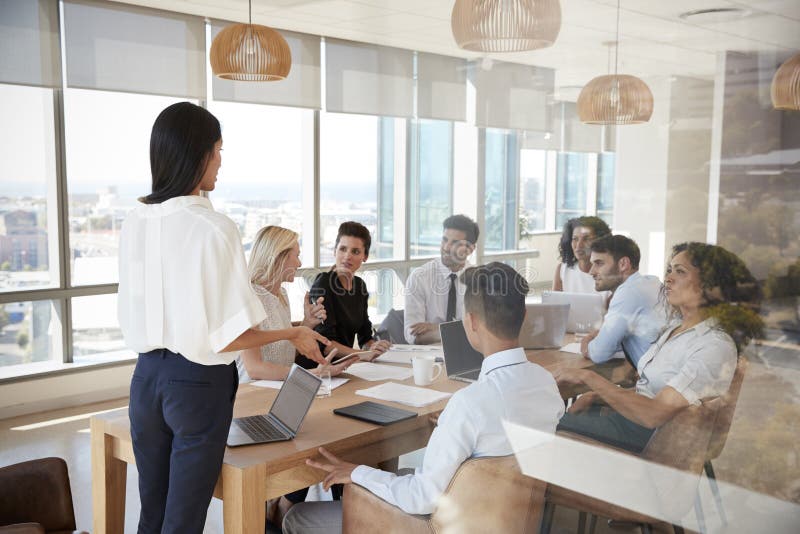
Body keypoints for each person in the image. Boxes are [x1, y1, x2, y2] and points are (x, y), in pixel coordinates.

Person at [117, 102, 328, 534]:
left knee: (151, 513)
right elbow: (230, 336)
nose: (220, 161)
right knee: (184, 521)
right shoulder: (215, 228)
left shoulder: (134, 222)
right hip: (197, 388)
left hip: (145, 381)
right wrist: (295, 331)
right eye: (217, 150)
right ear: (197, 154)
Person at [281, 262, 565, 533]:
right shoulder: (546, 385)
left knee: (297, 517)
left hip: (440, 526)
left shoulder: (470, 404)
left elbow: (421, 498)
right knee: (402, 472)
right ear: (524, 316)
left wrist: (356, 471)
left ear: (472, 322)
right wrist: (454, 427)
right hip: (507, 521)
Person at [554, 242, 762, 453]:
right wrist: (595, 395)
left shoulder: (713, 346)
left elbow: (653, 413)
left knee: (543, 423)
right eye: (669, 270)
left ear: (710, 285)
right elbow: (653, 392)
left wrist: (589, 379)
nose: (668, 278)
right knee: (549, 415)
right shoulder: (676, 329)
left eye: (680, 272)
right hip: (635, 424)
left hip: (650, 440)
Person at [237, 225, 354, 382]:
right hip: (254, 394)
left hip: (280, 389)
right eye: (296, 255)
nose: (299, 264)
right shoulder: (249, 296)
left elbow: (285, 354)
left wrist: (307, 324)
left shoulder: (282, 295)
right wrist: (314, 374)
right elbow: (254, 369)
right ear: (279, 257)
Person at [580, 235, 667, 367]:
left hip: (659, 381)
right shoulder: (650, 282)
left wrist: (586, 343)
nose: (591, 272)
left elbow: (599, 354)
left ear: (623, 264)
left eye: (599, 263)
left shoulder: (628, 292)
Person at [310, 221, 391, 360]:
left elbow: (364, 338)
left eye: (355, 251)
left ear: (365, 256)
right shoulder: (322, 284)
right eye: (343, 249)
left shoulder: (360, 286)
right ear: (334, 251)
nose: (348, 256)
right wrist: (363, 355)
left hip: (345, 367)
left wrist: (374, 347)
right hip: (320, 369)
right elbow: (326, 345)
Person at [404, 214, 479, 344]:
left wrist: (437, 328)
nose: (446, 247)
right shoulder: (419, 278)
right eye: (445, 240)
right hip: (429, 357)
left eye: (455, 243)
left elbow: (481, 330)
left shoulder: (479, 280)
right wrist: (459, 329)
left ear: (470, 249)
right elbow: (413, 335)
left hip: (470, 352)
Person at [552, 216, 611, 294]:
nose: (579, 245)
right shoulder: (563, 270)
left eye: (587, 239)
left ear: (601, 241)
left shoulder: (611, 273)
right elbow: (554, 304)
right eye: (575, 239)